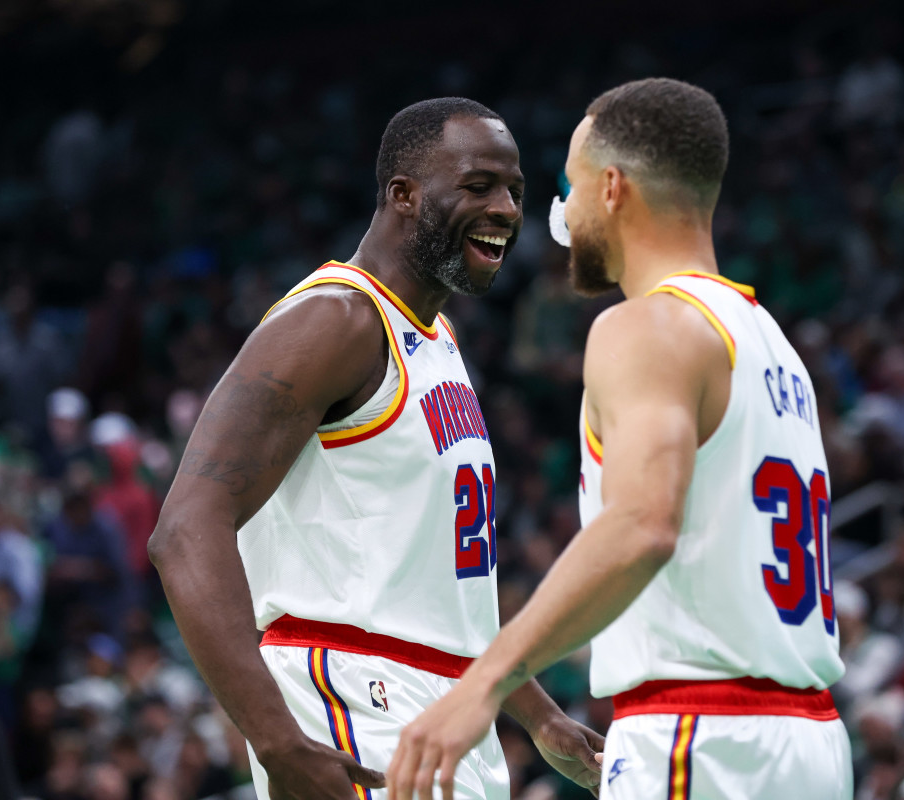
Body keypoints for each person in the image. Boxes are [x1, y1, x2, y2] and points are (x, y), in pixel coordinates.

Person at [387, 78, 851, 799]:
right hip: (812, 742)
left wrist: (483, 683)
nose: (559, 213)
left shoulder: (644, 326)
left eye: (568, 188)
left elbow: (642, 524)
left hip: (700, 736)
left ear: (611, 188)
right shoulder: (768, 340)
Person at [147, 98, 603, 800]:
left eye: (514, 189)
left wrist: (541, 718)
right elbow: (184, 529)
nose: (508, 208)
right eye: (479, 185)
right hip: (357, 705)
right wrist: (275, 740)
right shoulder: (334, 320)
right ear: (404, 195)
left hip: (449, 715)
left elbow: (442, 585)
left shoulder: (438, 340)